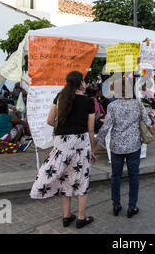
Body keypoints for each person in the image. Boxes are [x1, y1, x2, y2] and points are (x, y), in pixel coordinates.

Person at [30, 71, 96, 229]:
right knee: (81, 179)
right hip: (81, 143)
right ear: (80, 83)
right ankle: (81, 218)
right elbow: (91, 129)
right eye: (84, 81)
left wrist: (62, 128)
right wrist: (93, 149)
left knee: (64, 178)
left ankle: (66, 217)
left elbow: (49, 120)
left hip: (61, 142)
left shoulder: (60, 98)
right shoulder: (89, 101)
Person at [96, 77, 153, 219]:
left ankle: (116, 205)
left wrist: (97, 143)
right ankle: (132, 207)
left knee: (116, 176)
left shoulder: (112, 106)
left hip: (116, 146)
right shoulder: (137, 104)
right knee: (134, 176)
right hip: (134, 146)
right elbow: (147, 121)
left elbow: (106, 127)